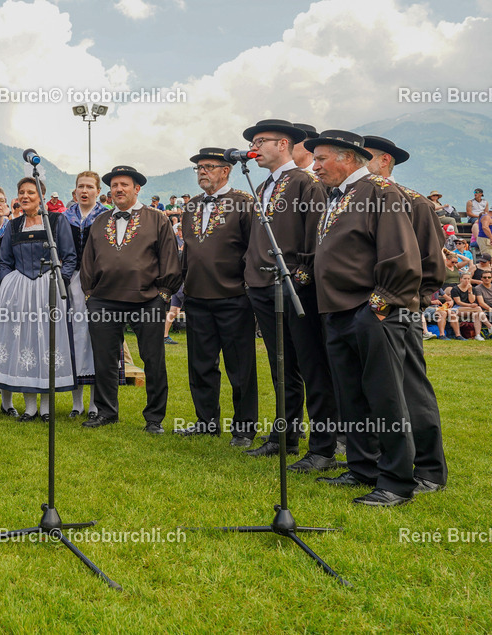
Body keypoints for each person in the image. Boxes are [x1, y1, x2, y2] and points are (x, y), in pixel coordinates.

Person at [309, 130, 422, 506]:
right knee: (351, 396)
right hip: (337, 310)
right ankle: (363, 468)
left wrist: (379, 304)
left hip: (372, 310)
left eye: (322, 158)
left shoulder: (380, 191)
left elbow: (399, 254)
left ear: (347, 158)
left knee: (384, 397)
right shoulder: (337, 195)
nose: (315, 166)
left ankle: (396, 481)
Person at [239, 120, 337, 466]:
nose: (254, 148)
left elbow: (317, 234)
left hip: (296, 287)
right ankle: (284, 437)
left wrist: (302, 275)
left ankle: (323, 447)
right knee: (281, 367)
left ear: (283, 144)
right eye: (252, 143)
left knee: (312, 367)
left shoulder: (306, 182)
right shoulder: (261, 185)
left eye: (260, 141)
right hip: (262, 286)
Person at [363, 135, 449, 492]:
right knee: (375, 392)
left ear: (384, 160)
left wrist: (414, 302)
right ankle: (375, 463)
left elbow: (433, 263)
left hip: (402, 308)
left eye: (364, 156)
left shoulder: (414, 201)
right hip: (366, 312)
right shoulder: (355, 199)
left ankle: (429, 469)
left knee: (412, 389)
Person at [80, 165, 182, 431]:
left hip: (147, 299)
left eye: (124, 184)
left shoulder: (157, 219)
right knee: (104, 359)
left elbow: (170, 258)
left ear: (137, 189)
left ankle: (154, 418)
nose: (118, 189)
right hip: (104, 299)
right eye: (114, 185)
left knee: (153, 359)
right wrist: (90, 293)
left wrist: (163, 293)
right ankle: (106, 412)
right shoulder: (100, 221)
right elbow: (88, 259)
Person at [177, 148, 258, 447]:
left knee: (240, 367)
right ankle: (206, 422)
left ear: (225, 170)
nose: (202, 171)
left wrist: (247, 288)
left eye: (208, 166)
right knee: (200, 365)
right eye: (199, 167)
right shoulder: (191, 206)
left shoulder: (244, 203)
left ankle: (244, 428)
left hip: (233, 297)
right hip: (197, 296)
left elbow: (253, 248)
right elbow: (188, 250)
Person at [0, 177, 76, 422]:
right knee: (25, 345)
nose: (25, 196)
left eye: (31, 192)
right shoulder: (13, 225)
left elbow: (69, 256)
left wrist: (60, 280)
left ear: (41, 197)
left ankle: (47, 407)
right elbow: (4, 261)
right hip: (20, 291)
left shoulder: (57, 221)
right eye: (22, 192)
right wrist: (9, 285)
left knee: (48, 344)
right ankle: (30, 407)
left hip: (48, 288)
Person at [63, 170, 109, 418]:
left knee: (96, 339)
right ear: (75, 190)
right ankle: (76, 402)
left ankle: (94, 403)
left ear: (98, 191)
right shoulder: (65, 217)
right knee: (74, 337)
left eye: (89, 187)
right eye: (81, 186)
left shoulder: (106, 216)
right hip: (72, 281)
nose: (84, 191)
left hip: (99, 283)